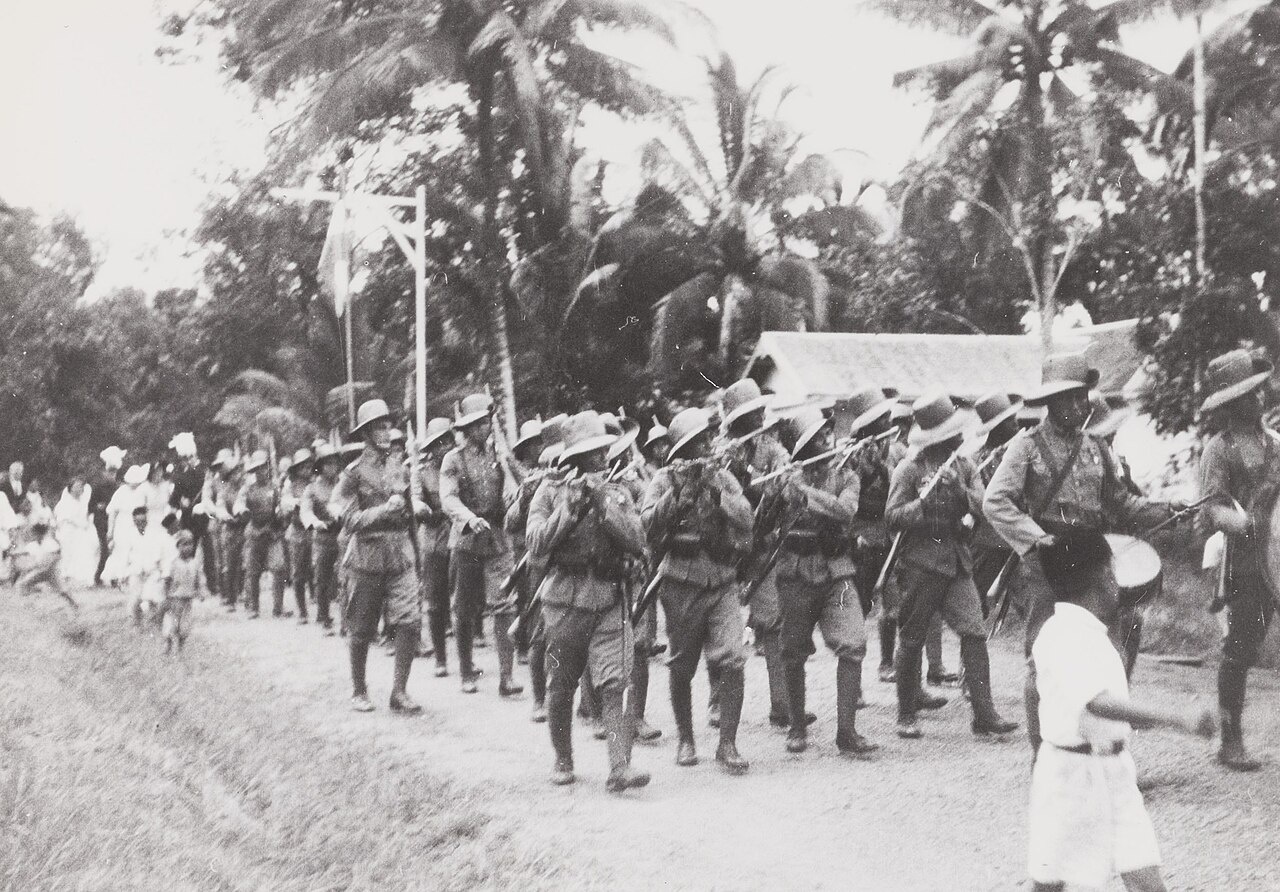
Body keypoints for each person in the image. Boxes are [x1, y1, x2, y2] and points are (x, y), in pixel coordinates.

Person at [983, 353, 1178, 755]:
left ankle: (1104, 747)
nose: (1076, 407)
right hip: (1046, 564)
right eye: (1067, 399)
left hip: (1091, 558)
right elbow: (995, 501)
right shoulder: (1027, 446)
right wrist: (1034, 537)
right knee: (1043, 656)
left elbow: (1119, 502)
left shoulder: (1095, 447)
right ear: (1050, 403)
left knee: (1109, 650)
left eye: (1081, 398)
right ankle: (1043, 754)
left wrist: (1167, 510)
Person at [1027, 529, 1215, 892]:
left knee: (1146, 879)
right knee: (1050, 883)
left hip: (1114, 772)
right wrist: (1177, 717)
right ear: (1105, 574)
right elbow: (1099, 702)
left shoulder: (1092, 631)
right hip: (1069, 778)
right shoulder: (1060, 632)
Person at [526, 411, 651, 791]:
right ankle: (563, 759)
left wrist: (603, 506)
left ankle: (619, 767)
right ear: (575, 457)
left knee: (615, 682)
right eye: (593, 452)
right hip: (564, 603)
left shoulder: (618, 492)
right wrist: (570, 510)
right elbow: (535, 545)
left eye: (603, 450)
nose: (602, 458)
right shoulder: (548, 493)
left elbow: (637, 539)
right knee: (561, 684)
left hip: (610, 597)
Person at [885, 393, 1019, 740]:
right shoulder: (909, 469)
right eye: (954, 432)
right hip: (921, 561)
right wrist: (923, 502)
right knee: (912, 638)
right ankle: (906, 713)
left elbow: (985, 505)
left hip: (957, 560)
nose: (961, 437)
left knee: (974, 631)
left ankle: (984, 714)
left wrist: (961, 490)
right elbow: (893, 517)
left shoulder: (965, 467)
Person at [642, 407, 754, 776]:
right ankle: (686, 738)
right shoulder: (663, 479)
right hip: (680, 583)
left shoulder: (723, 477)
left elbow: (745, 516)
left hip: (721, 580)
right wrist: (680, 493)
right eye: (696, 444)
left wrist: (718, 491)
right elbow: (646, 523)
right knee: (681, 663)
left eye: (706, 441)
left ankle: (728, 744)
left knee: (732, 658)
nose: (705, 448)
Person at [775, 406, 878, 756]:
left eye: (823, 436)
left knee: (853, 642)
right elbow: (762, 519)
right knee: (793, 651)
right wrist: (782, 489)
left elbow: (846, 510)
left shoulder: (846, 475)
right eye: (816, 440)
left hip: (837, 571)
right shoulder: (784, 479)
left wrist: (806, 493)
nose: (824, 442)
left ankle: (846, 732)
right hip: (795, 572)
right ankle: (796, 726)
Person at [1196, 348, 1280, 771]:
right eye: (1253, 393)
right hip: (1246, 562)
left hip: (1278, 557)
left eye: (1261, 390)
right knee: (1241, 649)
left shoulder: (1274, 443)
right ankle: (1230, 741)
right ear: (1234, 402)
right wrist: (1240, 521)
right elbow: (1210, 506)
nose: (1261, 398)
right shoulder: (1220, 449)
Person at [330, 399, 423, 714]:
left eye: (387, 425)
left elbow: (410, 516)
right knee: (362, 628)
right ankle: (359, 690)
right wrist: (383, 510)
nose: (386, 431)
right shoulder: (353, 473)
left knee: (408, 622)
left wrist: (416, 555)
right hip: (367, 558)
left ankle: (399, 692)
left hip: (401, 556)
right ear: (367, 433)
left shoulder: (401, 467)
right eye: (379, 426)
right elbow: (348, 519)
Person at [715, 379, 796, 730]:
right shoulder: (718, 452)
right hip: (726, 549)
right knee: (721, 627)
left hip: (762, 546)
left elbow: (785, 479)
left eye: (759, 412)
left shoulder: (772, 448)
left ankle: (782, 704)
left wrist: (781, 481)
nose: (759, 417)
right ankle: (717, 703)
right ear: (736, 420)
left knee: (773, 621)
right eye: (751, 414)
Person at [440, 392, 522, 696]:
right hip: (467, 540)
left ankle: (507, 676)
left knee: (504, 606)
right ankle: (466, 671)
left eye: (486, 422)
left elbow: (521, 485)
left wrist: (508, 465)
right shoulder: (453, 459)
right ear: (465, 428)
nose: (483, 428)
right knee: (465, 608)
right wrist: (467, 517)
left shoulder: (500, 454)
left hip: (498, 538)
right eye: (476, 424)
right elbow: (448, 497)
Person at [505, 414, 568, 721]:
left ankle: (589, 705)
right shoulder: (535, 483)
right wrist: (524, 497)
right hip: (544, 567)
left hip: (576, 567)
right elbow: (512, 524)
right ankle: (539, 700)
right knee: (540, 635)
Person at [412, 418, 457, 669]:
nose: (443, 447)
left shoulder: (460, 466)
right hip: (434, 540)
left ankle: (466, 659)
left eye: (447, 441)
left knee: (464, 601)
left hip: (460, 536)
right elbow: (416, 499)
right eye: (438, 443)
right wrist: (420, 508)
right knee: (437, 601)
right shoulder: (422, 472)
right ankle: (440, 657)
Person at [234, 451, 286, 619]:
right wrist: (242, 510)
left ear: (267, 468)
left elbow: (281, 505)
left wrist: (281, 512)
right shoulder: (247, 489)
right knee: (252, 571)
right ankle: (254, 607)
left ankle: (278, 607)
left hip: (272, 532)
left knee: (278, 570)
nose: (260, 472)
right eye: (257, 469)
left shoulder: (275, 487)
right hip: (255, 532)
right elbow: (239, 504)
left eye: (263, 468)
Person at [301, 444, 344, 634]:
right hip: (323, 538)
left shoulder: (342, 484)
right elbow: (306, 510)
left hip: (342, 536)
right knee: (322, 579)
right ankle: (324, 616)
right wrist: (313, 522)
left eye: (335, 463)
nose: (332, 467)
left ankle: (346, 621)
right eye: (328, 464)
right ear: (320, 466)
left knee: (345, 579)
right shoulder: (311, 489)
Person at [117, 504, 175, 629]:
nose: (140, 524)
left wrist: (165, 574)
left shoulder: (157, 534)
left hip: (153, 572)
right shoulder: (128, 534)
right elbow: (123, 557)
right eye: (137, 522)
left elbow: (165, 555)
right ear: (133, 521)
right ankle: (136, 625)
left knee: (155, 600)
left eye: (143, 521)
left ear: (147, 520)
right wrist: (121, 576)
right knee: (134, 600)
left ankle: (156, 624)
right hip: (135, 572)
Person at [280, 448, 314, 624]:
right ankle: (302, 611)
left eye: (309, 466)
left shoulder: (315, 482)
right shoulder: (290, 484)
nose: (307, 470)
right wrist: (295, 503)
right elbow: (285, 502)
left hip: (314, 531)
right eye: (303, 466)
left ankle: (320, 607)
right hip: (298, 532)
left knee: (314, 571)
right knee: (298, 574)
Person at [15, 520, 78, 610]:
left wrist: (45, 565)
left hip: (51, 572)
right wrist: (15, 554)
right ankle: (29, 604)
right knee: (22, 584)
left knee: (62, 590)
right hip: (39, 571)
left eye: (37, 533)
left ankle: (74, 604)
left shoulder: (51, 543)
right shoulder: (32, 545)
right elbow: (24, 554)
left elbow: (56, 557)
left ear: (42, 533)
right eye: (34, 533)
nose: (35, 535)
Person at [162, 529, 207, 655]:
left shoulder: (195, 563)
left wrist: (201, 591)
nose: (188, 548)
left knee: (185, 625)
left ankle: (181, 648)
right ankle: (168, 645)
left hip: (187, 599)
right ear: (178, 546)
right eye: (184, 544)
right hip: (174, 599)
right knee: (171, 623)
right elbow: (167, 580)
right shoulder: (173, 563)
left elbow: (199, 579)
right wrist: (166, 596)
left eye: (190, 544)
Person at [90, 446, 126, 587]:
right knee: (105, 550)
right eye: (110, 472)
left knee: (116, 549)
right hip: (101, 521)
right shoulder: (98, 487)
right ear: (104, 472)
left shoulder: (118, 488)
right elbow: (90, 506)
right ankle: (98, 575)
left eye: (114, 472)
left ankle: (114, 577)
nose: (112, 475)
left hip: (114, 521)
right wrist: (98, 507)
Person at [55, 477, 98, 586]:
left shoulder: (84, 502)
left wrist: (86, 524)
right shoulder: (65, 502)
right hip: (69, 532)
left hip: (83, 531)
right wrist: (79, 524)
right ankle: (67, 578)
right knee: (68, 555)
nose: (79, 489)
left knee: (86, 553)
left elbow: (87, 515)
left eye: (81, 487)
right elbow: (64, 518)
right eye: (76, 487)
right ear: (71, 488)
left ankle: (84, 579)